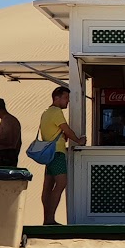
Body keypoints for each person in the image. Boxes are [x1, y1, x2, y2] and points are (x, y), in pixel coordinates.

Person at [38, 87, 83, 226]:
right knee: (61, 183)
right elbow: (67, 130)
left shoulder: (46, 113)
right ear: (56, 98)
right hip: (57, 152)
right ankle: (50, 219)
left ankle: (47, 218)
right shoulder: (56, 112)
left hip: (48, 153)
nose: (67, 101)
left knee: (48, 186)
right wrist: (78, 140)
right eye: (65, 98)